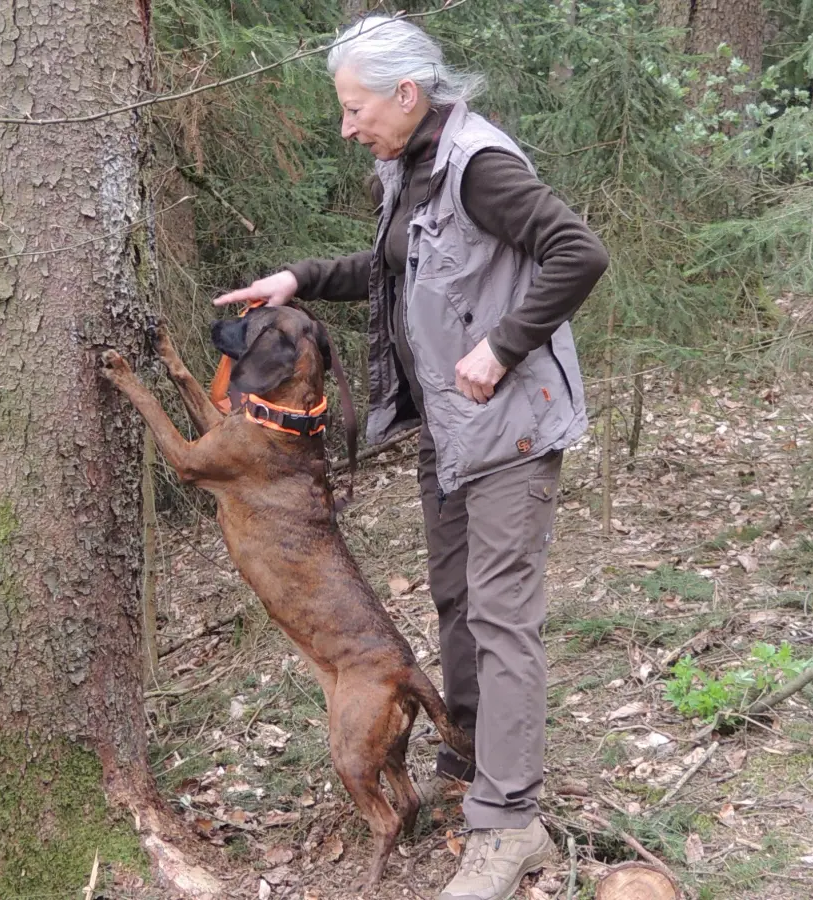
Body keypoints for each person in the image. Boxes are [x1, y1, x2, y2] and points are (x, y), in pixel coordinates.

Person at [213, 15, 608, 900]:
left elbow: (577, 251)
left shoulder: (480, 166)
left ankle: (511, 826)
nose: (348, 127)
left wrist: (503, 346)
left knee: (501, 621)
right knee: (458, 603)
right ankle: (471, 763)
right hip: (451, 432)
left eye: (357, 109)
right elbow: (398, 268)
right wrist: (301, 280)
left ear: (407, 93)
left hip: (510, 429)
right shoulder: (413, 168)